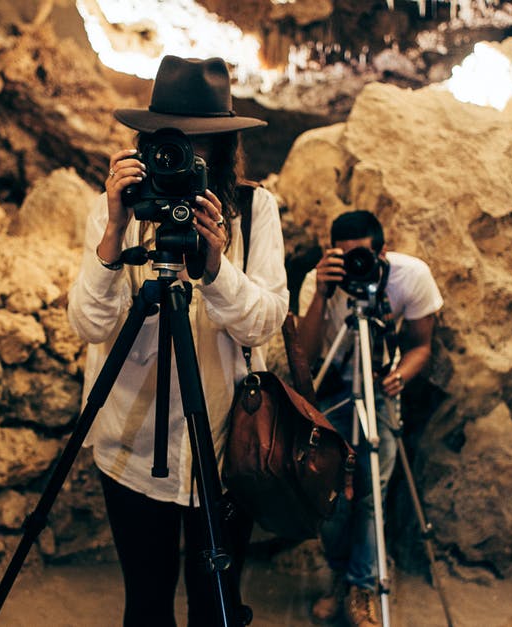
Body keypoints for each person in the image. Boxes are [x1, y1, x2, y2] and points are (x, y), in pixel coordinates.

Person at [66, 55, 288, 626]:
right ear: (149, 141)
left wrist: (217, 268)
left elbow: (265, 321)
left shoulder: (256, 209)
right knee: (145, 605)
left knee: (215, 606)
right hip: (132, 447)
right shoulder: (118, 210)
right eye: (175, 140)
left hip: (224, 447)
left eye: (202, 141)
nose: (187, 154)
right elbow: (90, 325)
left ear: (223, 145)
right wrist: (115, 233)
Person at [296, 210, 443, 627]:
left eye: (361, 256)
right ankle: (342, 577)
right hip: (333, 387)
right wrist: (323, 293)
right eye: (343, 257)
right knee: (330, 490)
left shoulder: (409, 276)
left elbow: (421, 346)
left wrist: (400, 376)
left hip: (380, 387)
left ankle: (363, 587)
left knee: (371, 489)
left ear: (383, 249)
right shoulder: (320, 280)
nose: (353, 266)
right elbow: (304, 357)